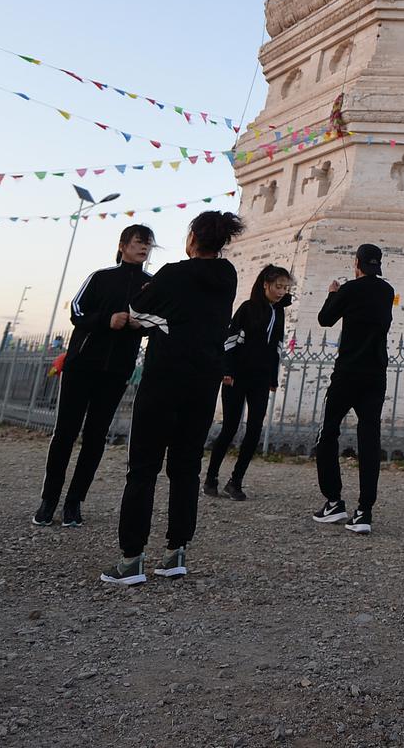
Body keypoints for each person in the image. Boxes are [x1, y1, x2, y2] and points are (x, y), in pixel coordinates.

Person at [101, 210, 242, 584]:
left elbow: (138, 310)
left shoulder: (173, 273)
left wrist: (158, 317)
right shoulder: (228, 275)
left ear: (192, 238)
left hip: (165, 377)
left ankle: (132, 558)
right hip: (204, 381)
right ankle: (176, 551)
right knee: (186, 467)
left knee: (143, 467)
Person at [34, 225, 152, 527]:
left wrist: (140, 324)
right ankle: (49, 500)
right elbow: (76, 312)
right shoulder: (100, 277)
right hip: (82, 365)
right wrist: (106, 320)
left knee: (96, 437)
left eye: (148, 244)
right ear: (123, 245)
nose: (144, 248)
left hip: (117, 371)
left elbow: (158, 321)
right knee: (65, 433)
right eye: (139, 242)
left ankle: (74, 501)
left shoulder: (151, 285)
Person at [311, 242, 393, 533]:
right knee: (369, 439)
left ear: (356, 263)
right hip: (375, 375)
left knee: (328, 432)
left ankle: (333, 501)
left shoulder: (349, 289)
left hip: (347, 373)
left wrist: (333, 294)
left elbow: (325, 319)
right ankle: (364, 512)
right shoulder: (387, 292)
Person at [205, 264, 295, 501]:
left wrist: (273, 377)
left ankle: (236, 481)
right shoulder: (248, 308)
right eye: (278, 286)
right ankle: (211, 477)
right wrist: (227, 370)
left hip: (260, 378)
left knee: (255, 429)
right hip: (237, 376)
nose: (282, 292)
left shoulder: (279, 313)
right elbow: (231, 339)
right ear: (265, 284)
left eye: (285, 288)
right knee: (230, 427)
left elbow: (276, 346)